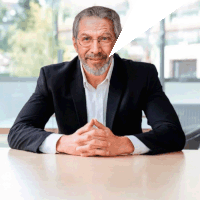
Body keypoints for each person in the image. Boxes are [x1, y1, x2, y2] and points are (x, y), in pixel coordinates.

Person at [7, 6, 186, 156]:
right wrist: (64, 142)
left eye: (104, 38)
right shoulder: (53, 78)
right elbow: (18, 132)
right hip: (70, 175)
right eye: (86, 39)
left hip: (127, 174)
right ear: (75, 43)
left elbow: (173, 133)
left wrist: (123, 144)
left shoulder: (142, 75)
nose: (95, 49)